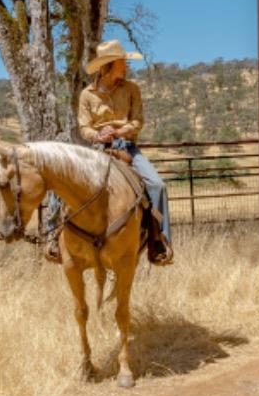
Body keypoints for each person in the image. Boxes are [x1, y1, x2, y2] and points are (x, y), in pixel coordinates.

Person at [53, 39, 173, 265]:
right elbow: (84, 127)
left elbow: (138, 120)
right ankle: (54, 236)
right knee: (60, 183)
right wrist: (97, 136)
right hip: (96, 149)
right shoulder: (87, 95)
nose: (126, 68)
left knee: (157, 185)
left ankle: (158, 241)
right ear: (108, 66)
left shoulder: (132, 89)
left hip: (126, 147)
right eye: (121, 64)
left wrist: (119, 131)